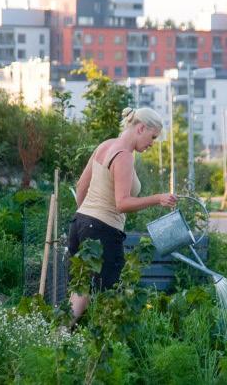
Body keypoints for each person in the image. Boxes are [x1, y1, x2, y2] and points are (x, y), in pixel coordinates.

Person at [67, 107, 177, 326]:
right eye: (152, 137)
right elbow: (122, 203)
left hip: (79, 224)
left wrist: (87, 220)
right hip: (103, 231)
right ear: (141, 128)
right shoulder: (124, 156)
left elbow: (81, 187)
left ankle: (61, 339)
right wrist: (158, 198)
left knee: (80, 292)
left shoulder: (105, 146)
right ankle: (100, 351)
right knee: (108, 298)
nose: (152, 143)